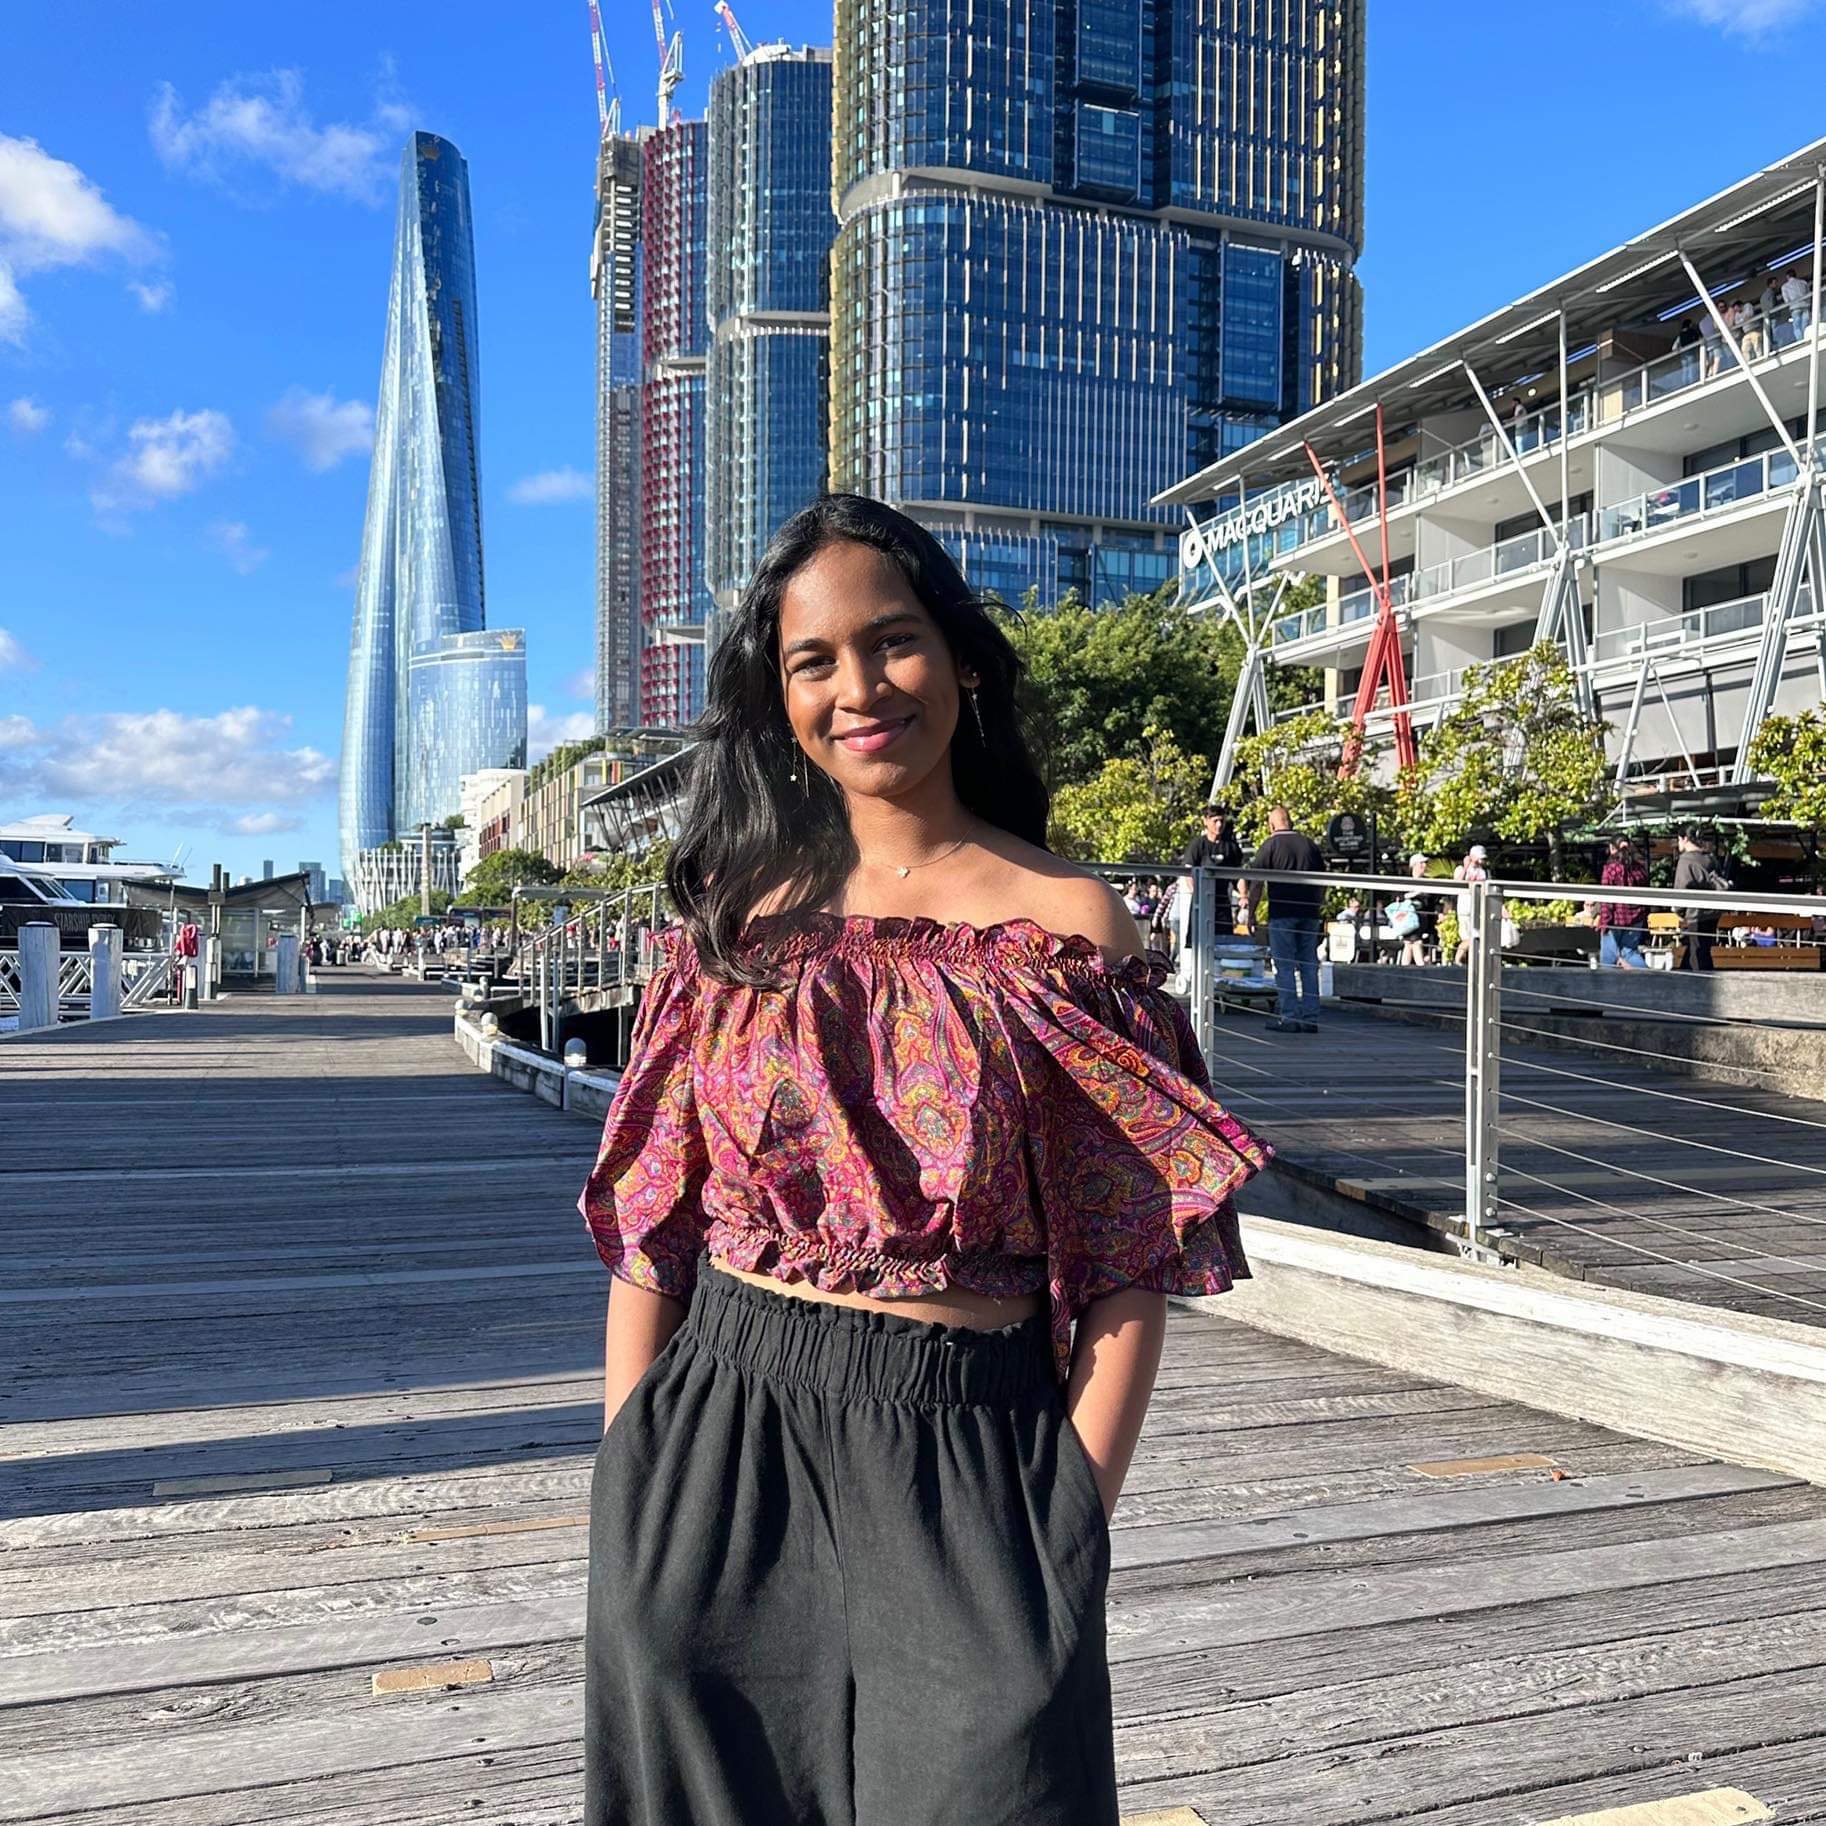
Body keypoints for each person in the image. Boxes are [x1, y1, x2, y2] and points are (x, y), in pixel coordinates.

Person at [575, 493, 1268, 1826]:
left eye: (888, 642)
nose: (857, 688)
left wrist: (1072, 1504)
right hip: (724, 1434)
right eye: (811, 661)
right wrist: (633, 1467)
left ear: (956, 657)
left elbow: (1129, 1254)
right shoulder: (737, 919)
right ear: (774, 698)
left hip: (974, 1449)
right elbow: (657, 1215)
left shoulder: (1068, 923)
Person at [1242, 805, 1326, 1033]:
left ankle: (1289, 1016)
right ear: (1290, 822)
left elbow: (1256, 884)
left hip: (1282, 914)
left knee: (1284, 966)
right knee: (1309, 965)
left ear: (1271, 825)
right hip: (1309, 913)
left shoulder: (1269, 846)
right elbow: (1323, 881)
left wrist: (1251, 914)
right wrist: (1318, 906)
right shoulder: (1309, 845)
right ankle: (1310, 1018)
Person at [1675, 827, 1728, 972]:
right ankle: (1686, 975)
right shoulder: (1710, 858)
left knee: (1697, 952)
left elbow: (1681, 888)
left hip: (1695, 914)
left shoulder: (1686, 860)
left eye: (1679, 839)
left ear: (1685, 838)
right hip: (1713, 912)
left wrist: (1679, 912)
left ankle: (1699, 983)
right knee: (1702, 948)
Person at [1596, 837, 1649, 969]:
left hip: (1615, 920)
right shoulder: (1639, 869)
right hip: (1636, 919)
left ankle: (1607, 986)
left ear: (1612, 848)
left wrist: (1605, 923)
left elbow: (1606, 900)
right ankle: (1649, 977)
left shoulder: (1610, 869)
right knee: (1630, 952)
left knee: (1608, 957)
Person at [1452, 843, 1490, 965]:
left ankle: (1471, 962)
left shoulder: (1484, 872)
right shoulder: (1460, 869)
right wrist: (1466, 866)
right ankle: (1457, 960)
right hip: (1465, 908)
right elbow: (1456, 883)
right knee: (1468, 938)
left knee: (1478, 937)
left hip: (1479, 908)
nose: (1481, 861)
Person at [1398, 852, 1435, 967]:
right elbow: (1399, 897)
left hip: (1422, 919)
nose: (1424, 866)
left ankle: (1406, 968)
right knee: (1413, 942)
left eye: (1425, 863)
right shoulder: (1405, 881)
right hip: (1409, 919)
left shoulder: (1428, 881)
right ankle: (1420, 967)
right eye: (1421, 863)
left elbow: (1431, 900)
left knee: (1410, 943)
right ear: (1414, 865)